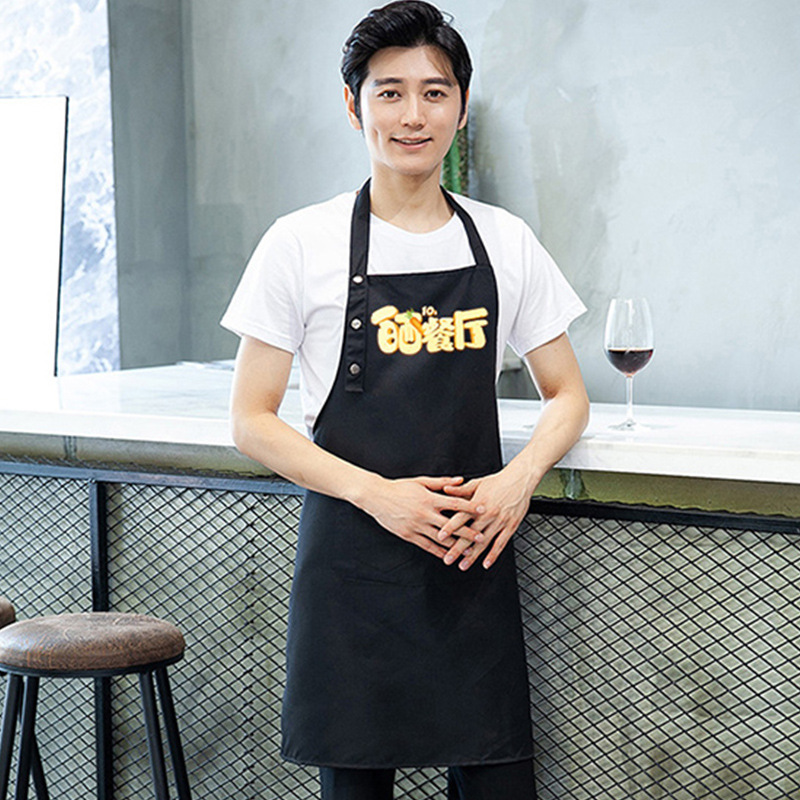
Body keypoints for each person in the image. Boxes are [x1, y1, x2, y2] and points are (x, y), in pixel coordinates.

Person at [222, 2, 590, 797]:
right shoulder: (300, 242)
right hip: (354, 570)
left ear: (462, 105)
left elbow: (567, 394)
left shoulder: (505, 240)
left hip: (471, 563)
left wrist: (517, 479)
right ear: (353, 105)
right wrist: (376, 495)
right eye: (389, 93)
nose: (413, 115)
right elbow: (250, 419)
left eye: (434, 92)